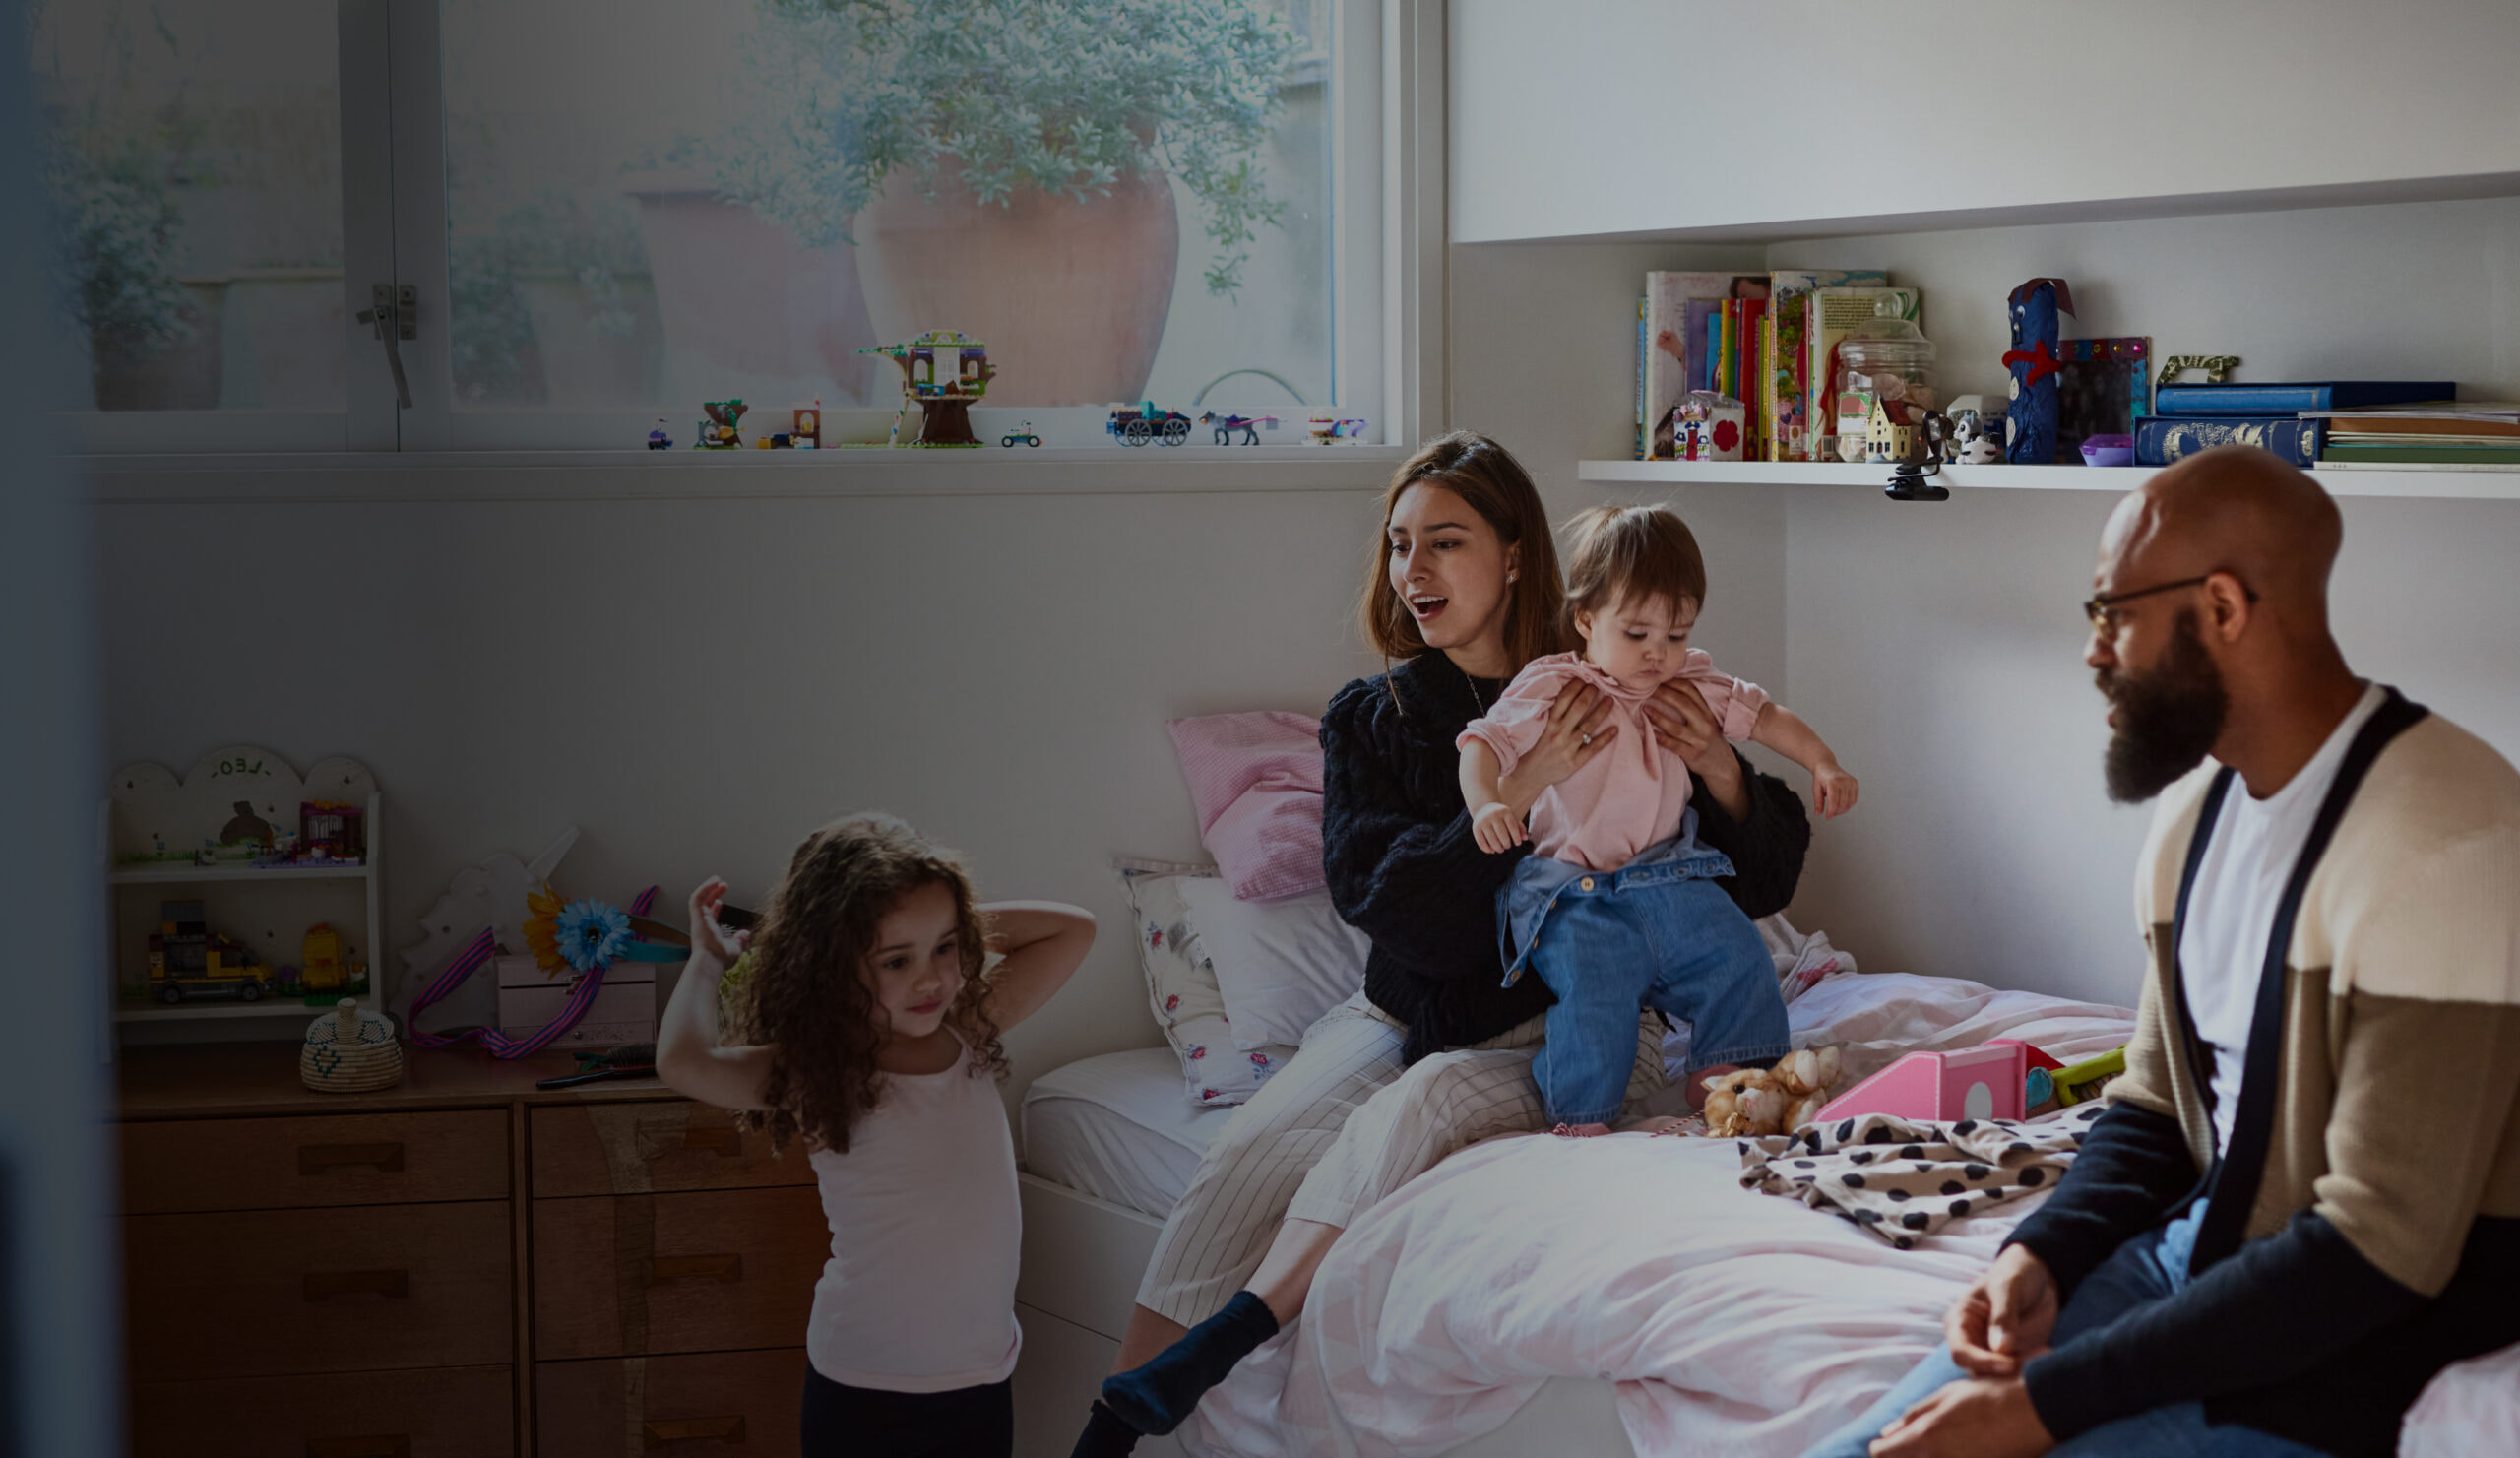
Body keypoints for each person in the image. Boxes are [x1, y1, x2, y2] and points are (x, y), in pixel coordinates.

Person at [1071, 432, 1812, 1453]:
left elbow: (1757, 879)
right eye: (1397, 544)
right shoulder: (1372, 718)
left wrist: (1722, 771)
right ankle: (1119, 1416)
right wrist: (1511, 790)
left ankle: (1237, 1329)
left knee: (1421, 1103)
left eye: (1444, 542)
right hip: (1401, 1008)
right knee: (1243, 1158)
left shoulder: (1611, 668)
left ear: (1513, 555)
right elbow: (1384, 898)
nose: (1411, 570)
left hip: (1570, 1014)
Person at [1805, 446, 2520, 1458]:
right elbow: (2152, 1105)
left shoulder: (2448, 843)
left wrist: (2047, 1405)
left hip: (2345, 1340)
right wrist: (2041, 1253)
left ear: (2222, 607)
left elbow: (2375, 1250)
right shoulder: (2194, 819)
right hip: (2197, 1260)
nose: (2094, 650)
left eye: (2112, 612)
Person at [656, 813, 1096, 1458]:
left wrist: (939, 920)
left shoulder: (965, 1028)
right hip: (866, 1392)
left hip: (979, 1379)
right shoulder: (816, 1070)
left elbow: (1073, 929)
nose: (931, 979)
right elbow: (685, 1063)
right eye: (897, 958)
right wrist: (705, 963)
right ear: (834, 962)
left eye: (945, 949)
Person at [1460, 502, 1856, 1134]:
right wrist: (1487, 803)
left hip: (1668, 877)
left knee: (1739, 958)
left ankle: (1732, 1085)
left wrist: (1824, 762)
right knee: (1597, 993)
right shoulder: (1554, 684)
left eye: (1676, 635)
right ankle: (1580, 1117)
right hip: (1573, 891)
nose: (1657, 654)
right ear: (1586, 620)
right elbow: (1481, 744)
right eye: (1637, 634)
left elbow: (1767, 716)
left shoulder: (1689, 683)